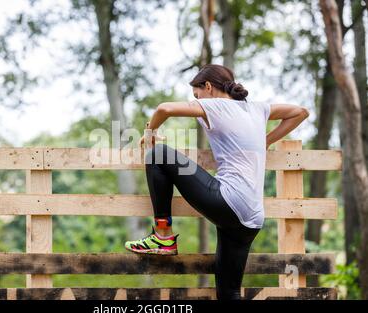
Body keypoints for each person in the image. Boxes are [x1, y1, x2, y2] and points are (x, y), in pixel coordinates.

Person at [124, 63, 310, 300]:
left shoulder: (216, 105)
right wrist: (266, 140)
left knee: (158, 154)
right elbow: (301, 111)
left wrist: (150, 132)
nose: (196, 100)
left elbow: (164, 108)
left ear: (209, 87)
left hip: (228, 201)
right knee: (228, 293)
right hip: (251, 219)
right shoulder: (256, 109)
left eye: (196, 95)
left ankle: (163, 235)